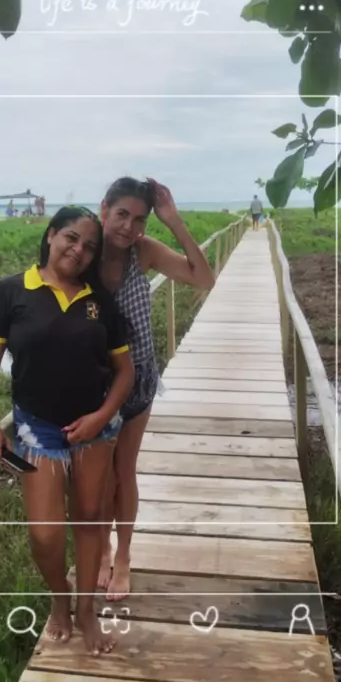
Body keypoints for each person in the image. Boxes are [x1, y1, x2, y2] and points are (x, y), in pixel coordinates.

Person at [0, 206, 135, 655]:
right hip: (38, 429)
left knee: (90, 518)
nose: (79, 251)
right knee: (45, 533)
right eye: (71, 238)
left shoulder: (100, 301)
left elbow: (125, 372)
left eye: (89, 247)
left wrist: (102, 416)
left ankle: (86, 611)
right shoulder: (12, 291)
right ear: (52, 235)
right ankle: (61, 596)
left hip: (95, 429)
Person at [97, 177, 215, 600]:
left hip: (137, 378)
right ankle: (102, 550)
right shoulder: (84, 250)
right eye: (121, 214)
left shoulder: (143, 252)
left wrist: (173, 220)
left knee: (123, 471)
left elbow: (203, 278)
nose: (128, 227)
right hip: (91, 384)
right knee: (97, 477)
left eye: (139, 219)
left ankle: (124, 556)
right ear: (104, 209)